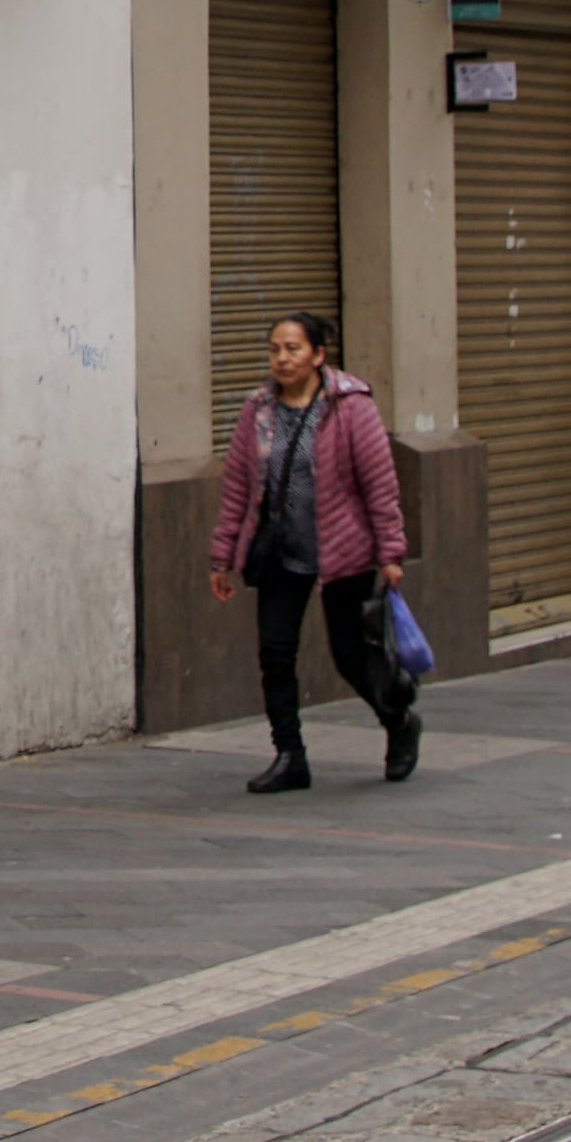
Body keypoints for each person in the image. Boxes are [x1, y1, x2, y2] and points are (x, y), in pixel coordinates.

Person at [205, 310, 419, 792]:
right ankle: (289, 754)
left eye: (294, 349)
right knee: (275, 653)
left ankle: (399, 723)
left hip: (343, 551)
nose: (282, 359)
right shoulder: (257, 409)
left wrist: (391, 551)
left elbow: (379, 485)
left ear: (318, 355)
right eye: (276, 349)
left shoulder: (351, 408)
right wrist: (222, 556)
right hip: (279, 551)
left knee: (350, 657)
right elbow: (238, 486)